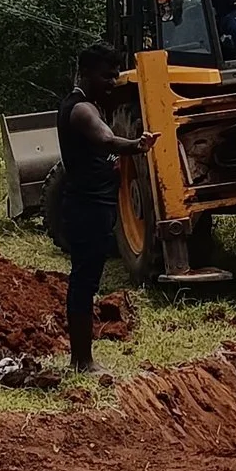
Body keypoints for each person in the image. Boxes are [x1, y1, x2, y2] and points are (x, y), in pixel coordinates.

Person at [54, 43, 154, 374]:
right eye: (106, 76)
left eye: (115, 75)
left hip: (96, 203)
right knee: (84, 281)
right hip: (87, 206)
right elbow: (108, 140)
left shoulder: (88, 104)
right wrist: (137, 145)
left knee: (88, 278)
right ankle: (81, 361)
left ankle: (82, 358)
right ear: (86, 73)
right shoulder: (82, 110)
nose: (113, 82)